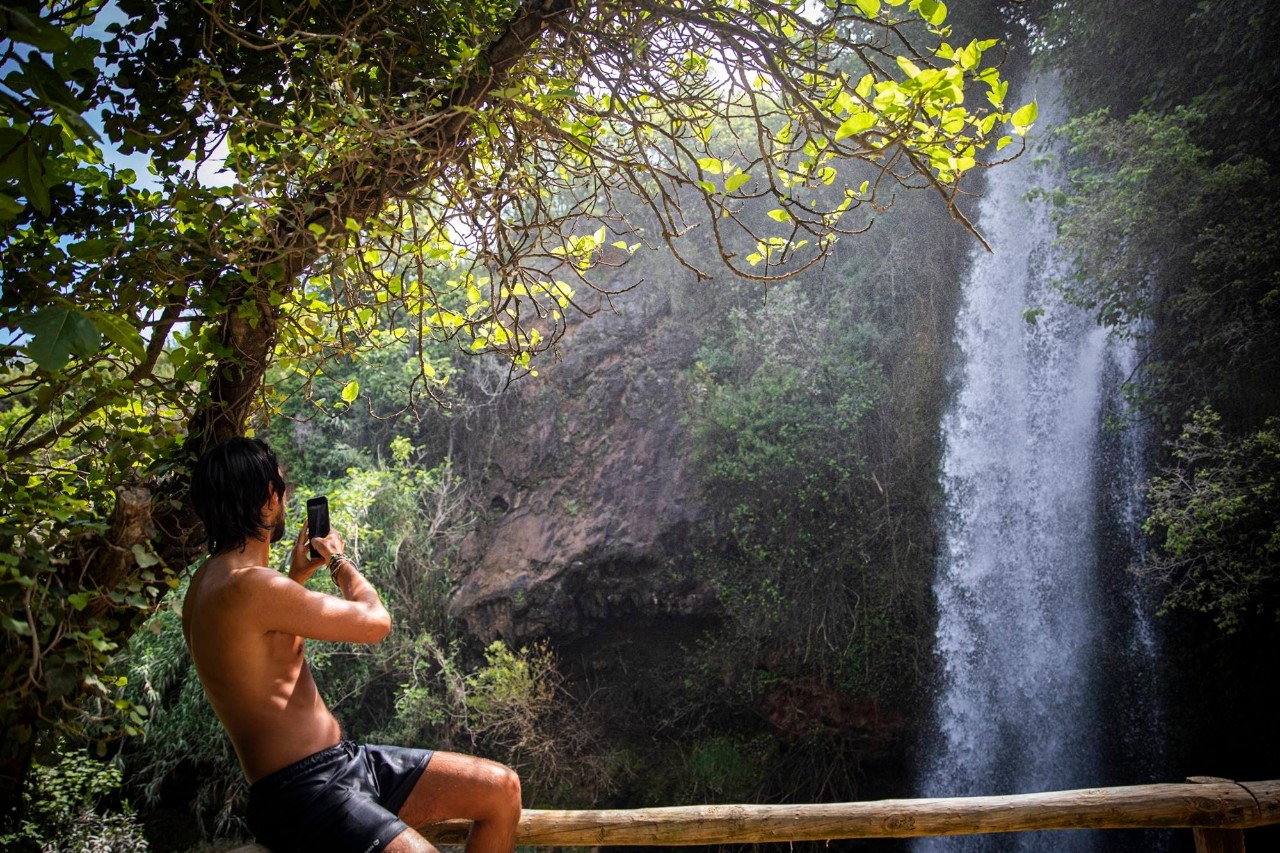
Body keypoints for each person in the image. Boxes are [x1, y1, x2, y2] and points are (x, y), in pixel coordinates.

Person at [183, 437, 521, 853]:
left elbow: (262, 652)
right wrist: (338, 561)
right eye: (282, 489)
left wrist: (297, 576)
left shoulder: (206, 585)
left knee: (500, 788)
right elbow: (376, 623)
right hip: (305, 793)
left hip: (342, 763)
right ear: (269, 498)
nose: (285, 499)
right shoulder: (251, 586)